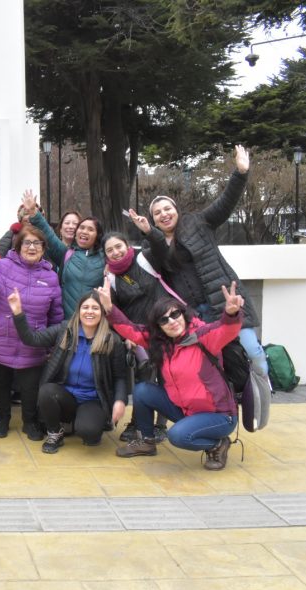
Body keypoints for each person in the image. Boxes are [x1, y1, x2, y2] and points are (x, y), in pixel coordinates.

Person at [98, 280, 245, 471]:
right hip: (185, 410)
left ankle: (217, 444)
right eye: (164, 319)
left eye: (175, 314)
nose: (172, 321)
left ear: (183, 314)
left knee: (178, 436)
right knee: (143, 390)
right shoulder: (161, 343)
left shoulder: (204, 337)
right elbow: (131, 329)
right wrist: (109, 308)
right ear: (158, 326)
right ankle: (147, 442)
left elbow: (226, 329)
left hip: (218, 416)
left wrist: (232, 313)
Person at [145, 145, 266, 375]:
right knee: (218, 367)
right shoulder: (154, 247)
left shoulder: (198, 223)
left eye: (167, 208)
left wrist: (240, 173)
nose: (164, 214)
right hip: (196, 315)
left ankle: (263, 388)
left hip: (225, 301)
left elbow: (225, 203)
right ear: (153, 221)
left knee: (253, 353)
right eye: (157, 213)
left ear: (176, 210)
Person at [0, 225, 63, 440]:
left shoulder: (50, 276)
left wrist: (51, 344)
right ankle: (2, 419)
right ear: (18, 246)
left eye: (37, 243)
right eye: (27, 243)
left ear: (43, 248)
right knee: (0, 383)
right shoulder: (2, 266)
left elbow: (56, 313)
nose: (32, 247)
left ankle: (29, 422)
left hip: (32, 341)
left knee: (30, 387)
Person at [9, 289, 128, 454]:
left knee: (89, 434)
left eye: (95, 308)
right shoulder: (65, 330)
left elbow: (120, 377)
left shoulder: (111, 340)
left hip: (92, 400)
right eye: (85, 307)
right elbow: (32, 339)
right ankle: (55, 432)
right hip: (66, 397)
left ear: (103, 312)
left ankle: (85, 423)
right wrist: (18, 312)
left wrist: (120, 401)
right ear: (78, 310)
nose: (89, 312)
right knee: (46, 391)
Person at [102, 217, 173, 442]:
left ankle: (161, 424)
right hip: (137, 334)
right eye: (109, 250)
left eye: (118, 247)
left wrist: (149, 230)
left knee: (167, 376)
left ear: (127, 245)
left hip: (165, 327)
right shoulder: (110, 277)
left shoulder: (144, 258)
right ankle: (138, 424)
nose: (115, 252)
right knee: (144, 377)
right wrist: (126, 335)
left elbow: (163, 249)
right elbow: (113, 311)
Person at [22, 190, 105, 319]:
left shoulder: (105, 259)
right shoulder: (68, 254)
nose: (84, 231)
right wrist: (34, 213)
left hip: (94, 321)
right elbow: (49, 236)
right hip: (67, 323)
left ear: (97, 235)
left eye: (90, 229)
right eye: (82, 228)